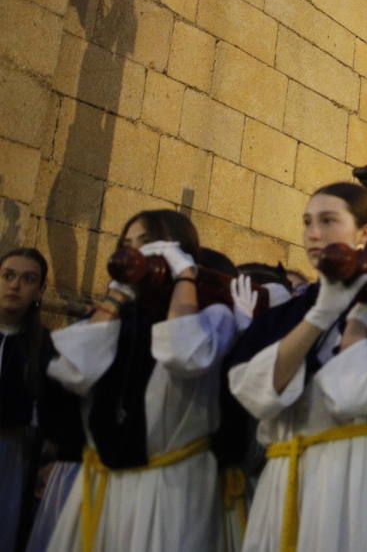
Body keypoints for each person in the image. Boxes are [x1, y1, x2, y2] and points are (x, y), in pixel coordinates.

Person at [227, 182, 367, 552]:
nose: (314, 234)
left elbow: (361, 397)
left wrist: (359, 319)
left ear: (364, 232)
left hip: (358, 474)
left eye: (329, 221)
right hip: (285, 475)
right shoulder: (283, 315)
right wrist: (320, 315)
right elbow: (253, 395)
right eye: (307, 222)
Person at [45, 210, 238, 552]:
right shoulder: (113, 318)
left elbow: (183, 354)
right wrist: (116, 295)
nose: (133, 255)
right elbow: (71, 369)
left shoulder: (213, 316)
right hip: (102, 484)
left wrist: (183, 275)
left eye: (146, 245)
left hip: (168, 487)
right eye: (126, 246)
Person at [1, 248, 53, 551]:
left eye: (27, 278)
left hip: (13, 455)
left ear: (40, 290)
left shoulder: (44, 345)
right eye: (8, 275)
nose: (15, 285)